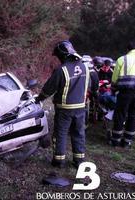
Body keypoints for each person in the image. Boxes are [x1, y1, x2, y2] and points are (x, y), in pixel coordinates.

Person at [35, 40, 90, 168]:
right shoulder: (85, 67)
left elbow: (49, 88)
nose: (58, 59)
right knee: (79, 133)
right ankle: (79, 161)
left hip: (64, 109)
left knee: (60, 133)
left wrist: (40, 98)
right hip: (81, 108)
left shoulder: (62, 70)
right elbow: (90, 86)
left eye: (59, 56)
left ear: (64, 55)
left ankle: (59, 161)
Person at [111, 41, 135, 148]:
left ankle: (115, 141)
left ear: (127, 50)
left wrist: (113, 90)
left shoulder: (121, 59)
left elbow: (114, 79)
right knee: (133, 116)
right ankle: (127, 142)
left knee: (120, 115)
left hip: (124, 93)